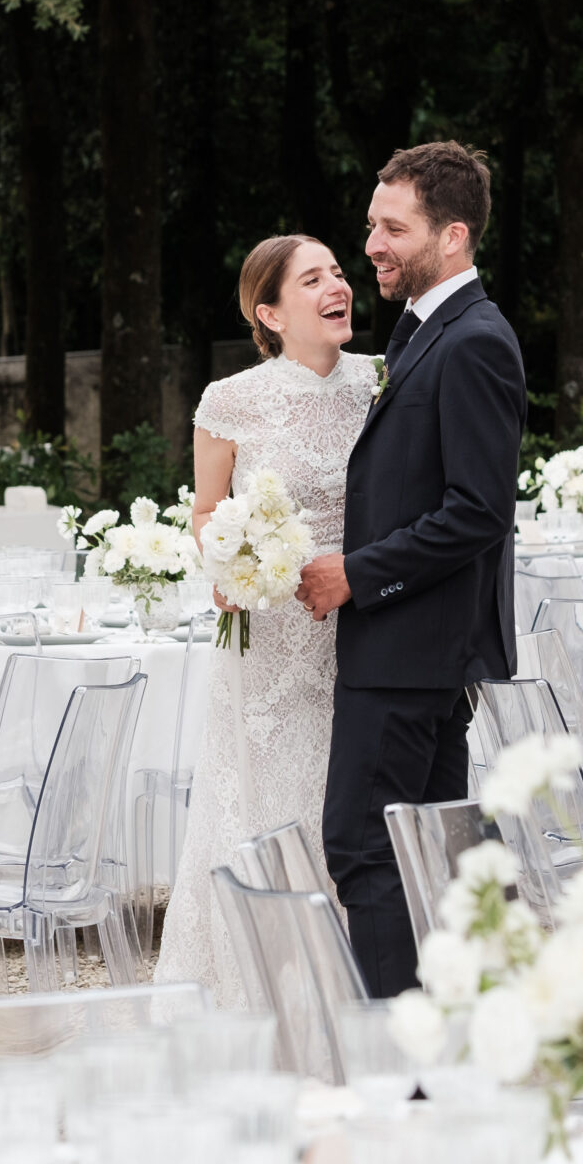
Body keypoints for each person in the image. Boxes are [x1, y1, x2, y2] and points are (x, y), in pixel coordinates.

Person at [296, 141, 526, 996]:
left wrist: (358, 574)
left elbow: (478, 511)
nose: (373, 245)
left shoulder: (474, 341)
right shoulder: (432, 333)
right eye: (372, 225)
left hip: (408, 651)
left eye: (394, 228)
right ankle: (449, 1036)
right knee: (429, 857)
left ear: (453, 235)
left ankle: (396, 1057)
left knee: (365, 851)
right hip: (417, 652)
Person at [154, 233, 380, 1007]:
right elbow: (207, 511)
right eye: (312, 279)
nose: (337, 286)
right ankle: (268, 987)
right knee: (268, 804)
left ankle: (353, 980)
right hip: (271, 639)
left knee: (348, 799)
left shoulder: (379, 381)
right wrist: (232, 566)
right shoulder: (229, 401)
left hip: (363, 623)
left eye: (339, 273)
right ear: (270, 313)